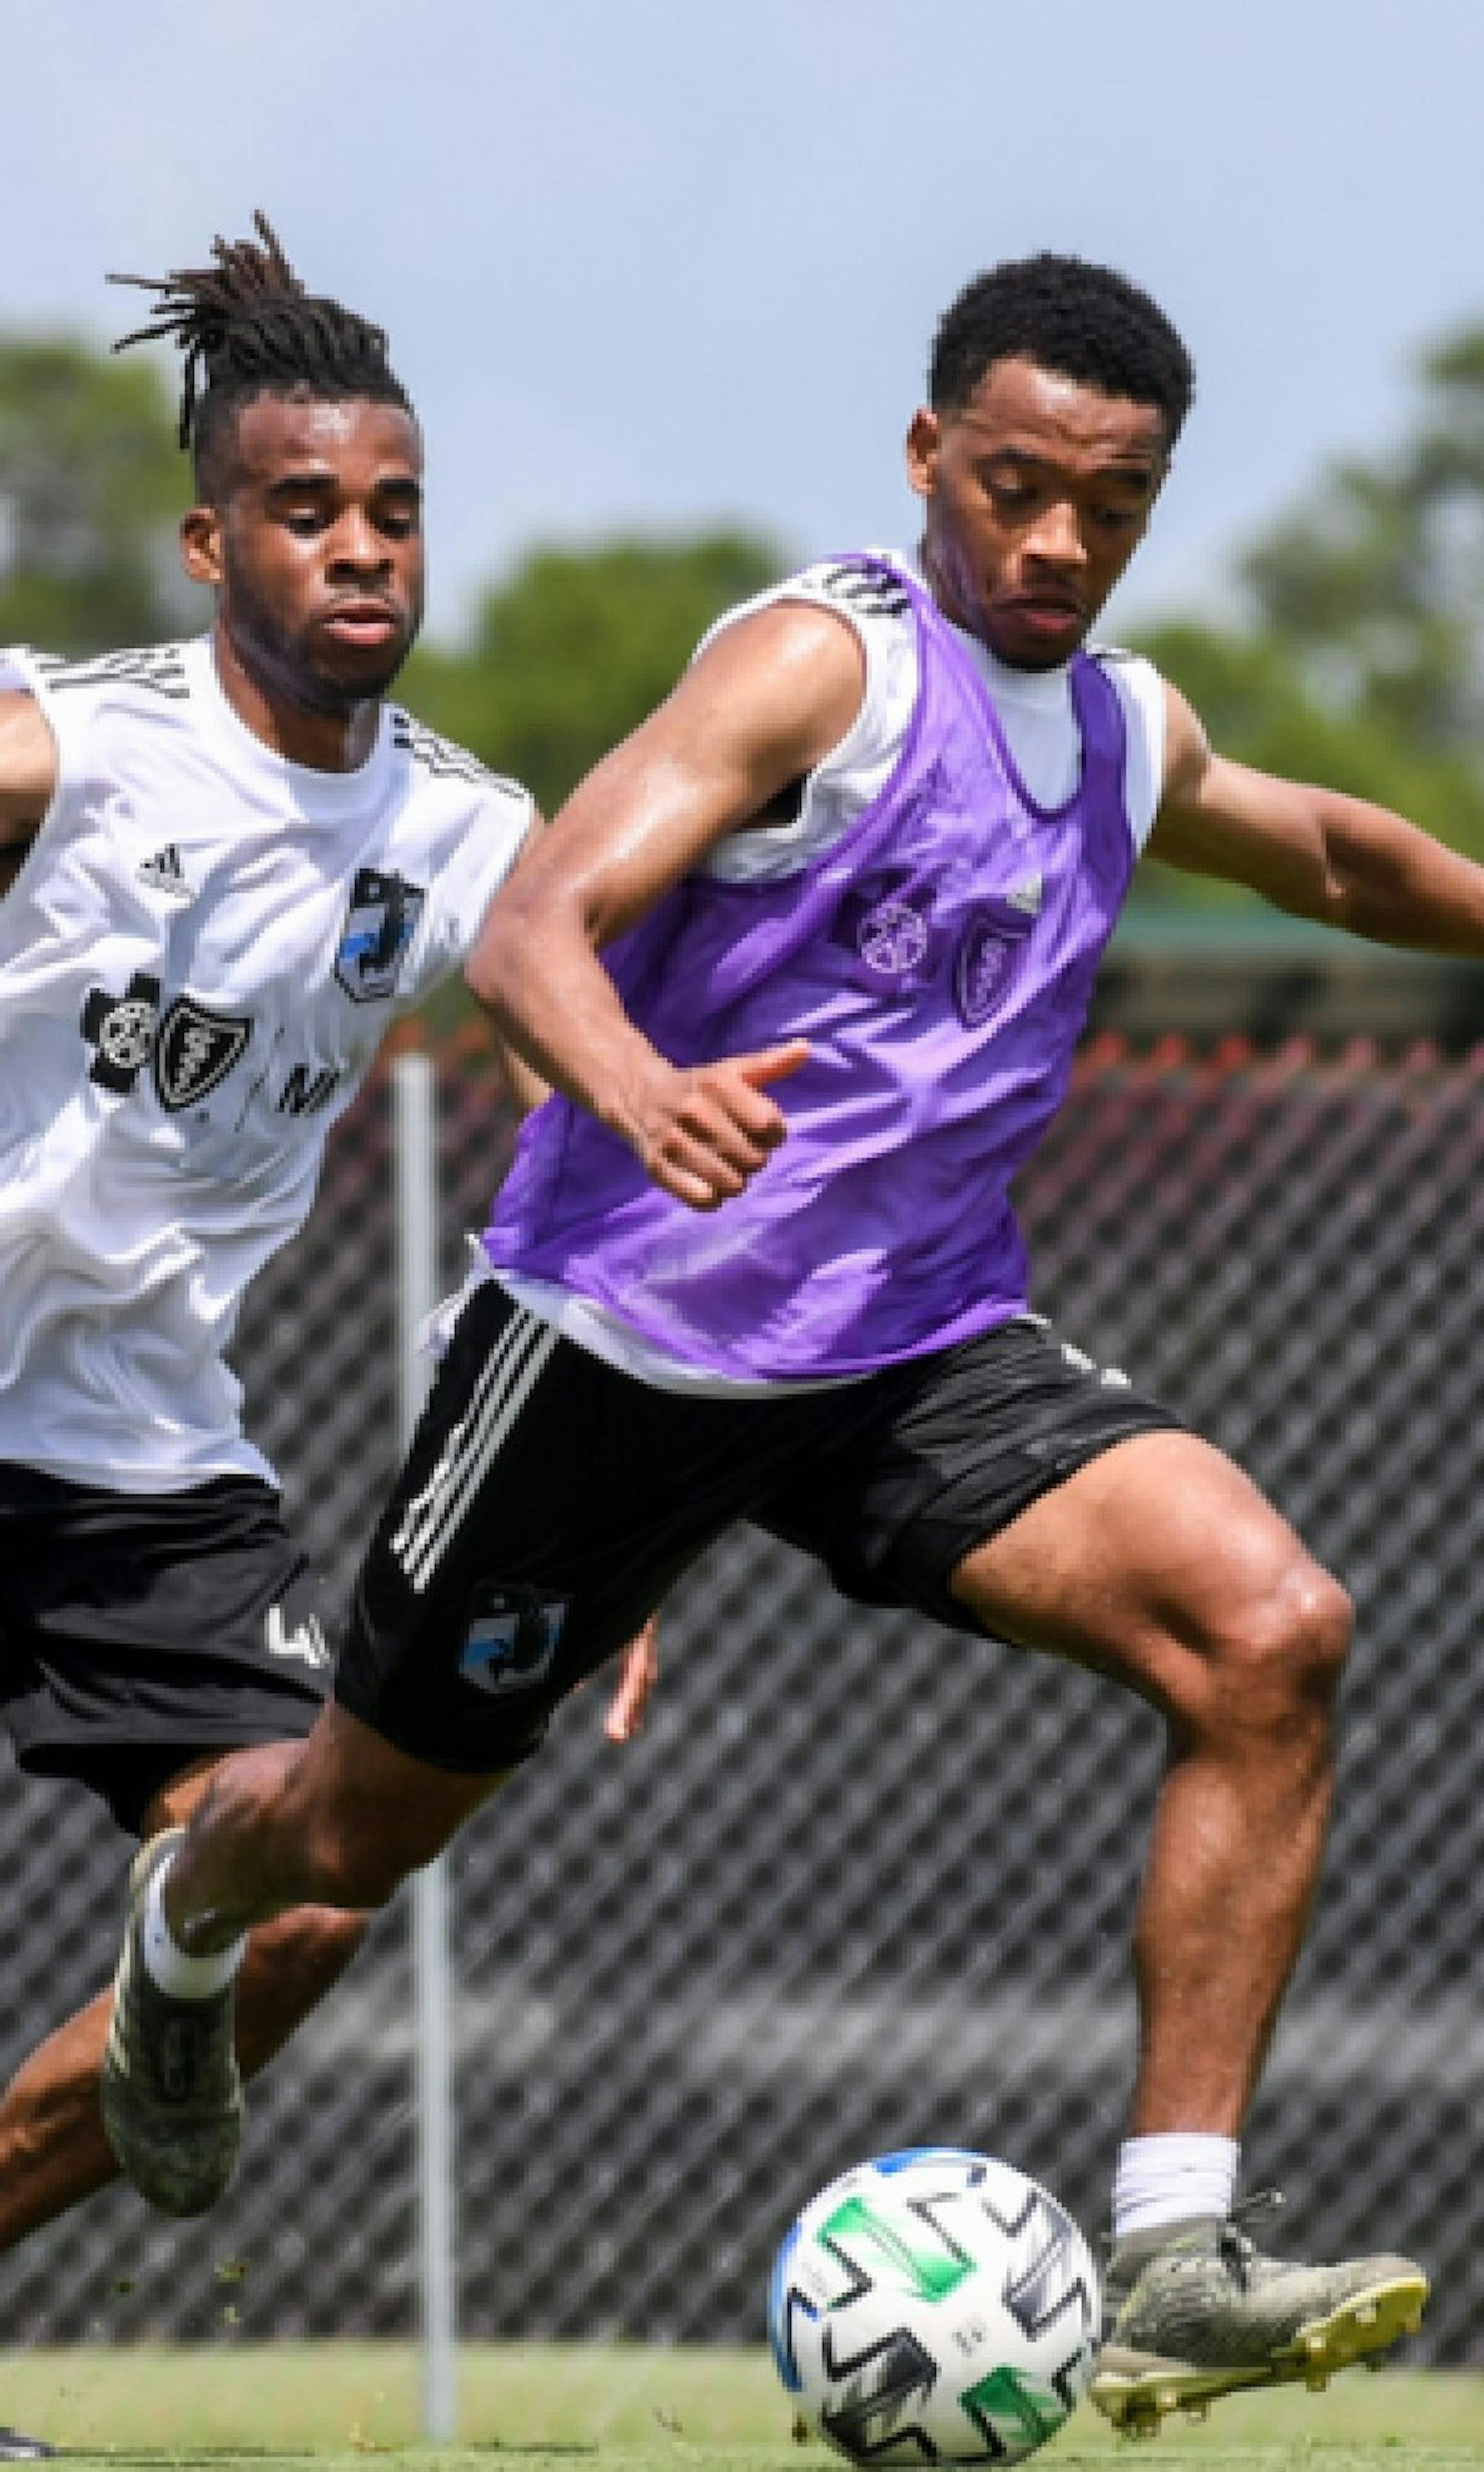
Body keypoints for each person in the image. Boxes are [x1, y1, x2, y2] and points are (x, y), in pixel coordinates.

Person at [102, 252, 1470, 2436]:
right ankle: (189, 1916)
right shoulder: (815, 667)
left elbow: (1321, 849)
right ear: (930, 455)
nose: (1050, 544)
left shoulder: (1126, 727)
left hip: (911, 1356)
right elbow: (543, 911)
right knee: (350, 1847)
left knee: (1272, 1627)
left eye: (1105, 508)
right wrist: (638, 1091)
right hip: (615, 1347)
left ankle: (1175, 2251)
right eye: (1012, 487)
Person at [0, 216, 651, 2460]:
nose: (362, 550)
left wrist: (612, 1496)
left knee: (324, 1875)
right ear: (208, 539)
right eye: (305, 509)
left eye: (393, 510)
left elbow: (585, 1052)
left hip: (133, 1463)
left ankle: (177, 1956)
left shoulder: (463, 827)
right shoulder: (70, 753)